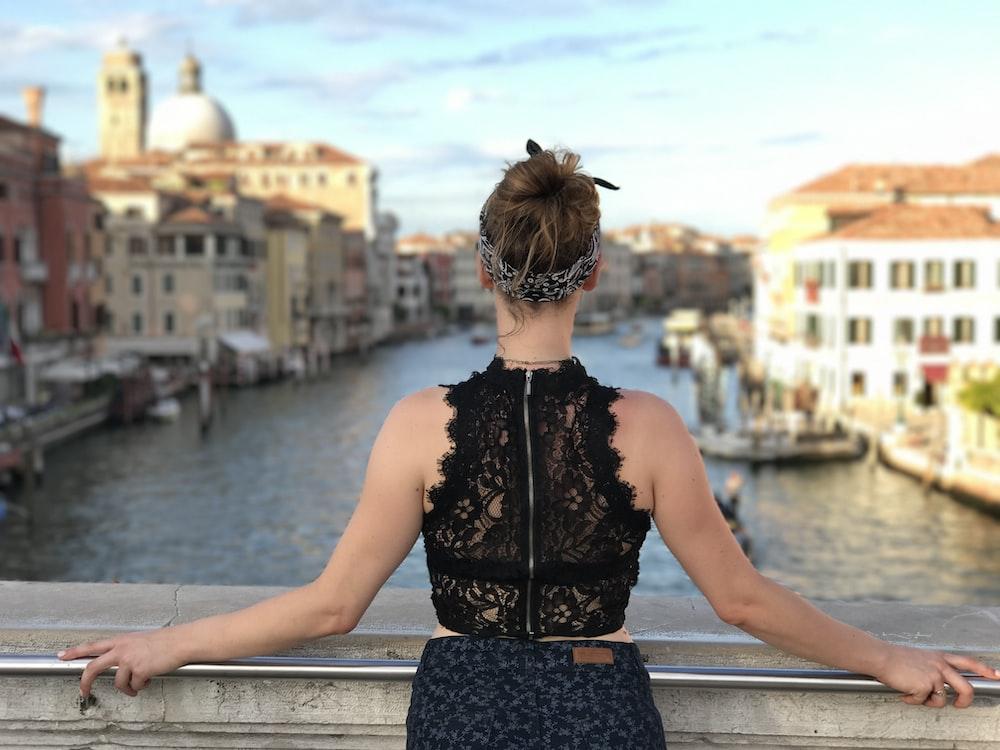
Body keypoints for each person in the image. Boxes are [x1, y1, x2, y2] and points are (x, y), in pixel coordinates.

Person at [57, 141, 1000, 747]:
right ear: (591, 271)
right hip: (602, 708)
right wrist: (887, 657)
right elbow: (742, 598)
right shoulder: (653, 427)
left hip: (462, 708)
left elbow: (331, 607)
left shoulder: (416, 425)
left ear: (482, 273)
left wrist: (166, 642)